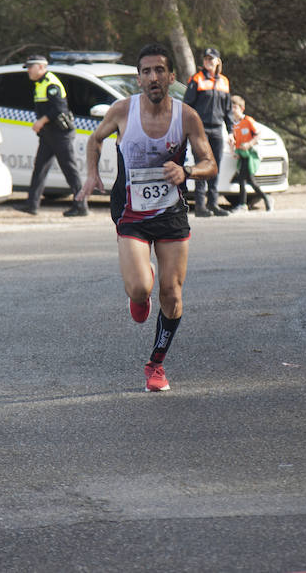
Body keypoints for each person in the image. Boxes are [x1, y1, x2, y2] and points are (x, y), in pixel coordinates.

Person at [76, 43, 217, 392]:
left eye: (159, 71)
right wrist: (92, 175)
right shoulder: (123, 111)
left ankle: (155, 365)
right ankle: (141, 287)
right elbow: (94, 140)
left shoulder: (187, 116)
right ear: (138, 79)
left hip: (171, 213)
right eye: (146, 71)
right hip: (131, 212)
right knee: (141, 289)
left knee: (172, 294)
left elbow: (210, 163)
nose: (153, 77)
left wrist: (187, 172)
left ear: (171, 77)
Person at [16, 54, 88, 216]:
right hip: (48, 135)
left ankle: (81, 206)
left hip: (60, 134)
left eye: (30, 67)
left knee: (70, 170)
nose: (28, 71)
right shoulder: (39, 84)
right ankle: (32, 205)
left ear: (41, 67)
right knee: (39, 168)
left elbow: (59, 110)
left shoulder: (51, 84)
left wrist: (41, 121)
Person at [182, 47, 235, 217]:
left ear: (218, 61)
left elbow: (228, 110)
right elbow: (188, 106)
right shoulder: (196, 80)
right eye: (206, 59)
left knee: (215, 167)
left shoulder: (224, 82)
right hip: (200, 129)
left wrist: (231, 131)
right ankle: (200, 205)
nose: (208, 62)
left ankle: (213, 204)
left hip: (217, 129)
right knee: (202, 164)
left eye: (211, 59)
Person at [229, 95, 272, 213]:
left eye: (235, 107)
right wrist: (234, 152)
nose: (233, 110)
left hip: (250, 155)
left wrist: (249, 144)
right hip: (241, 155)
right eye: (231, 108)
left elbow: (258, 135)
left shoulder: (248, 120)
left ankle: (244, 204)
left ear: (242, 108)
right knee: (247, 180)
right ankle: (262, 198)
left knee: (245, 179)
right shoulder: (233, 125)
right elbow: (233, 141)